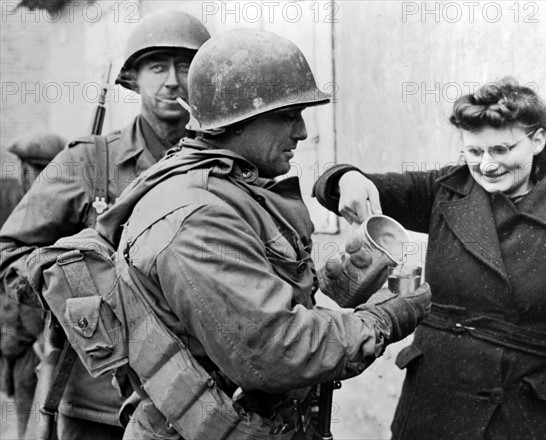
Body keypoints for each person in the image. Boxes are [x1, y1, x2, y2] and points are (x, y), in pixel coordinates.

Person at [93, 29, 432, 440]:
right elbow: (275, 351)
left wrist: (332, 280)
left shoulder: (227, 188)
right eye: (287, 116)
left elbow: (252, 296)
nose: (303, 132)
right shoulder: (197, 214)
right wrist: (383, 319)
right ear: (238, 119)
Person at [313, 77, 546, 439]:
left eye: (501, 149)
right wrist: (347, 179)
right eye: (474, 152)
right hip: (435, 403)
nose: (487, 165)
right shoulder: (447, 189)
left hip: (522, 415)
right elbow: (340, 188)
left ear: (537, 140)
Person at [0, 10, 210, 439]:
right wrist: (69, 284)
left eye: (185, 66)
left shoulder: (222, 169)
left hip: (203, 403)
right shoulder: (87, 162)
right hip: (101, 406)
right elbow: (11, 253)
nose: (172, 80)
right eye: (157, 66)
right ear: (132, 79)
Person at [0, 132, 65, 439]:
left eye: (40, 169)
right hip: (17, 344)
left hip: (43, 344)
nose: (34, 177)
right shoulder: (16, 207)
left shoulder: (61, 213)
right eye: (31, 170)